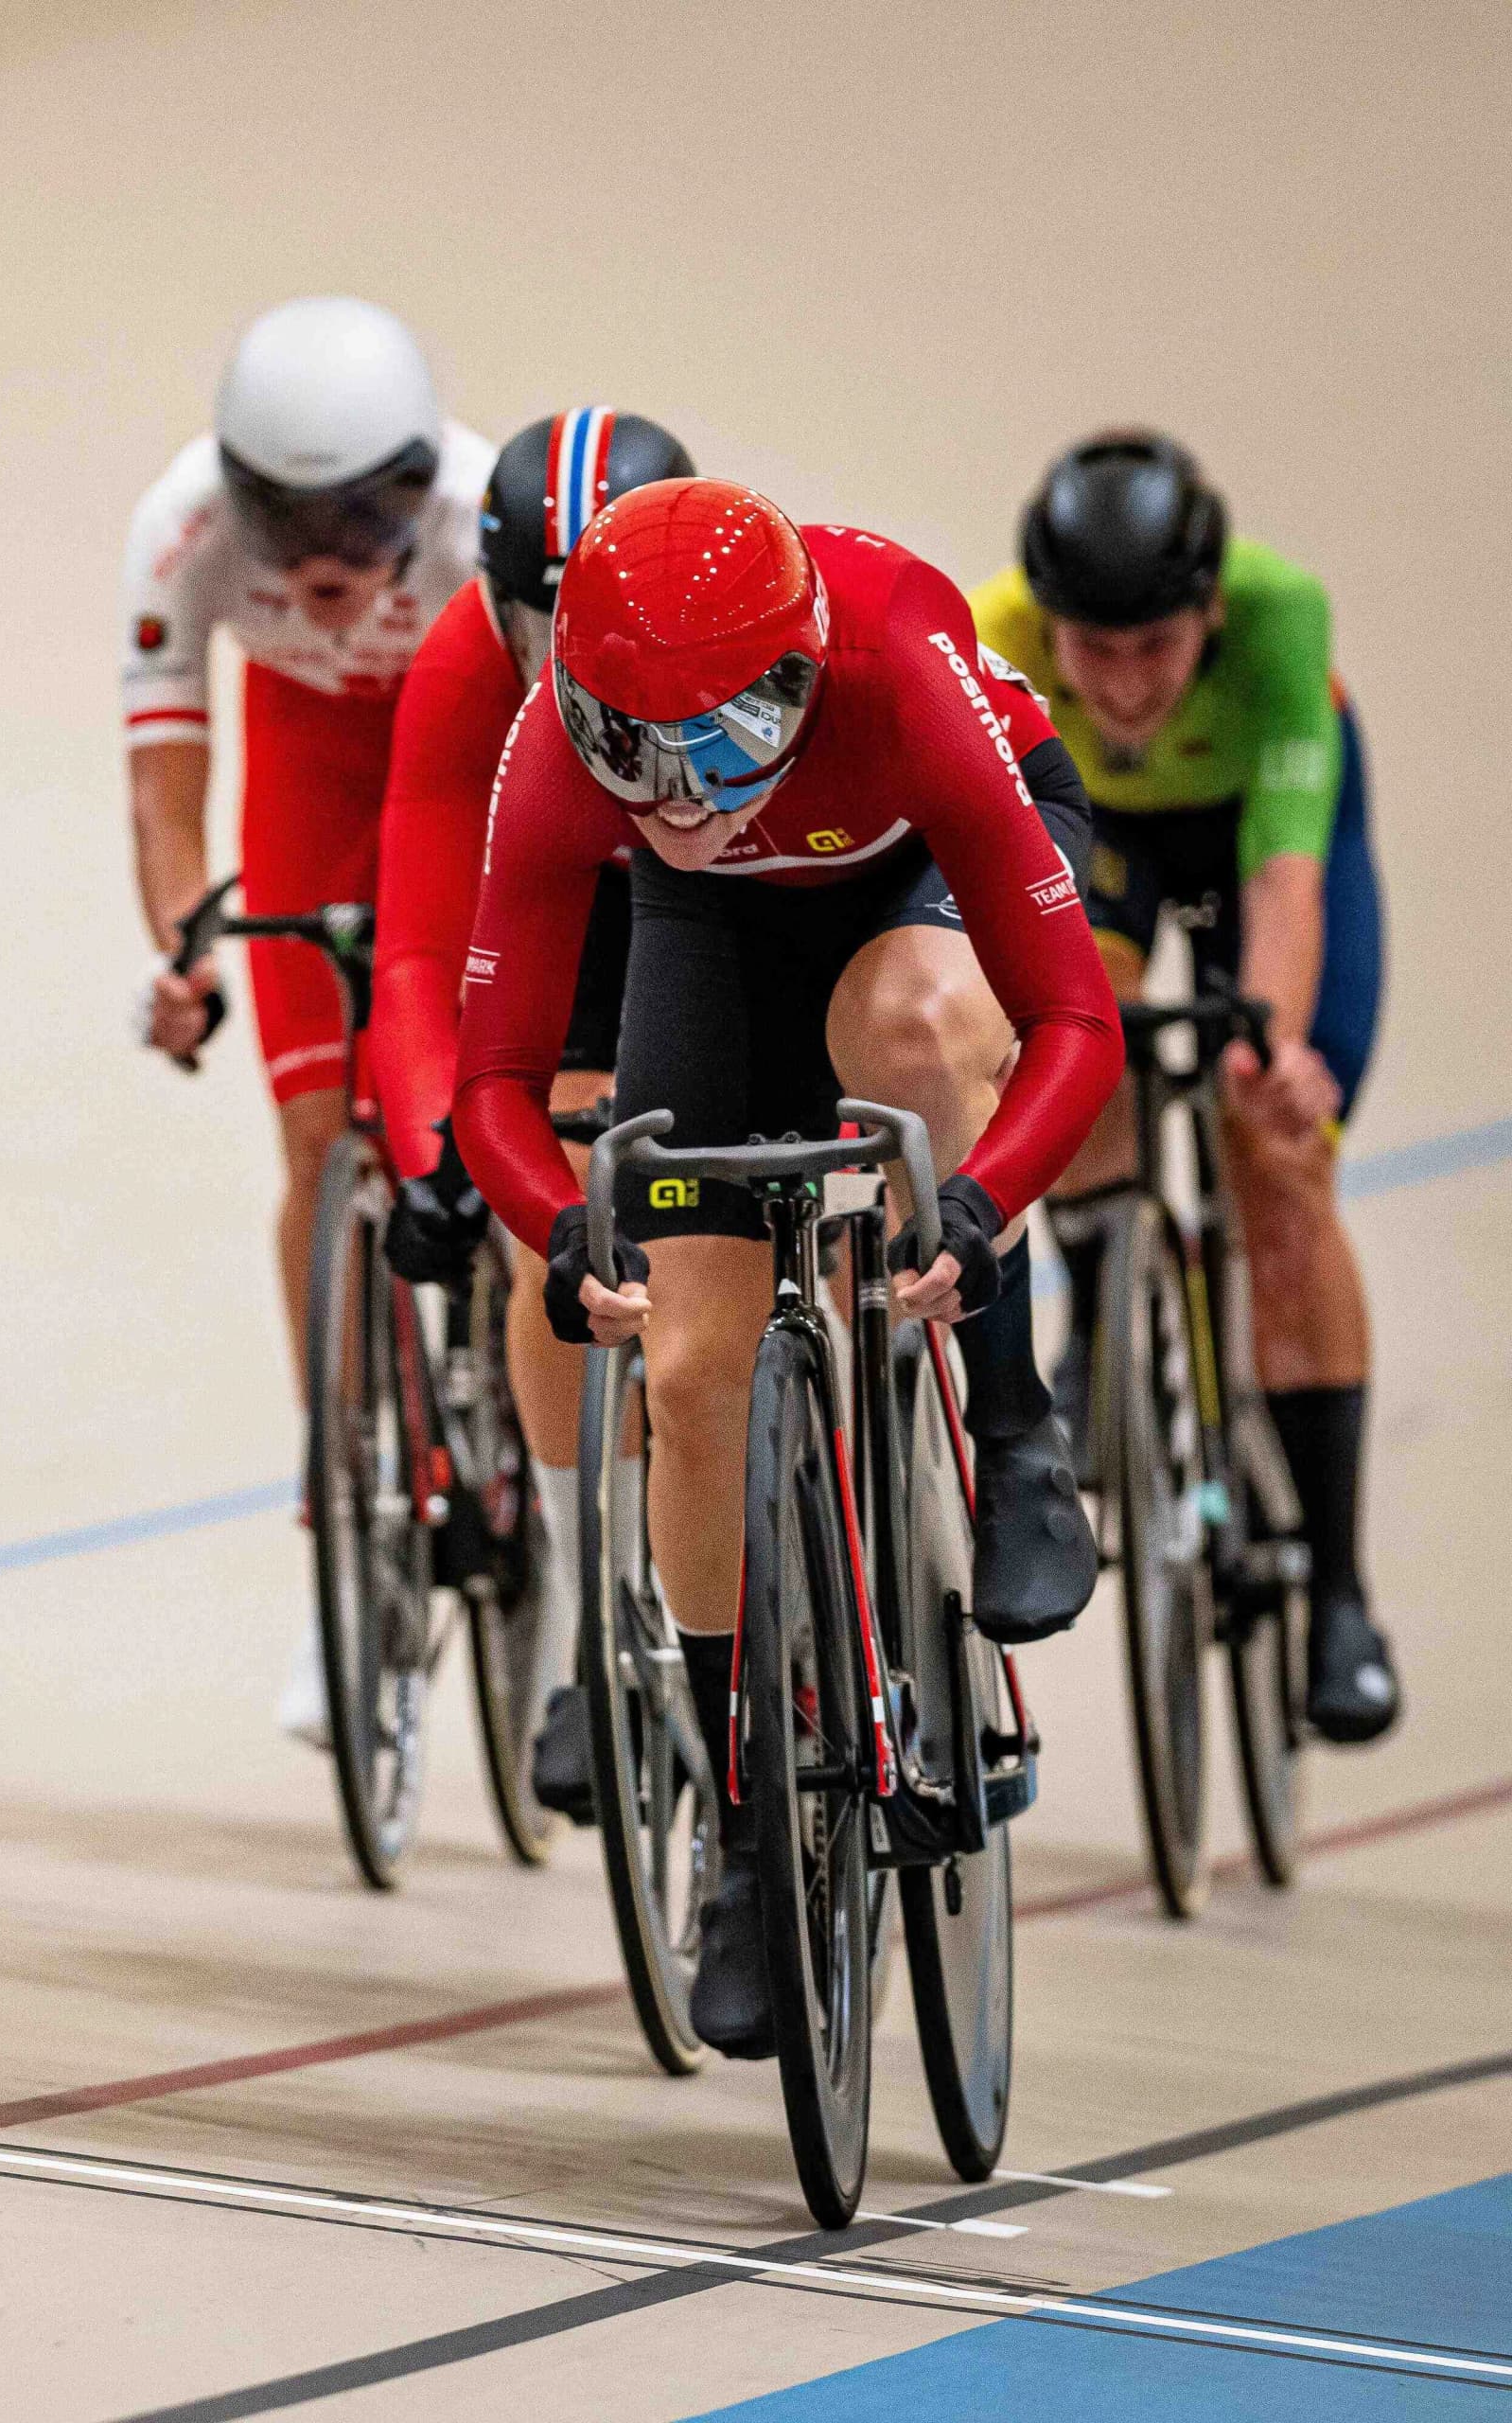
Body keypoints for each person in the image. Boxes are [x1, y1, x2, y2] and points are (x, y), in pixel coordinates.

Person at [453, 477, 1116, 2059]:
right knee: (687, 1371)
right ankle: (747, 1824)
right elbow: (493, 1079)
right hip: (724, 925)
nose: (678, 792)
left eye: (722, 743)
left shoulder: (897, 651)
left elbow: (1075, 1029)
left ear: (805, 677)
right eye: (634, 753)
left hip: (923, 881)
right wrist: (562, 1224)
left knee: (912, 1028)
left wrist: (983, 1203)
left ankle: (1016, 1430)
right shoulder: (557, 752)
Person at [972, 434, 1399, 1743]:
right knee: (1075, 1029)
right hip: (1098, 838)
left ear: (1210, 612)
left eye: (1154, 646)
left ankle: (1337, 1588)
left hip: (1252, 836)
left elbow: (1285, 880)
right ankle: (1102, 1306)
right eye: (1090, 650)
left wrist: (1266, 1046)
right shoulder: (994, 636)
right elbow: (1013, 891)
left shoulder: (1280, 617)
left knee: (1278, 1159)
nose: (1122, 682)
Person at [119, 295, 493, 1743]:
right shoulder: (178, 530)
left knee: (484, 1101)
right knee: (321, 1141)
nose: (328, 566)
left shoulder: (479, 520)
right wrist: (187, 954)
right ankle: (348, 1537)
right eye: (293, 530)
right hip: (309, 767)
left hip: (460, 745)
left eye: (364, 523)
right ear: (239, 502)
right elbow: (164, 789)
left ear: (418, 489)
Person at [373, 408, 696, 1819]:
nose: (576, 661)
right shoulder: (462, 671)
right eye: (539, 624)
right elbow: (419, 952)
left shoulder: (742, 636)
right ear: (493, 608)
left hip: (722, 886)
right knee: (541, 1205)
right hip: (572, 905)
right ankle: (584, 1622)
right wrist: (438, 1148)